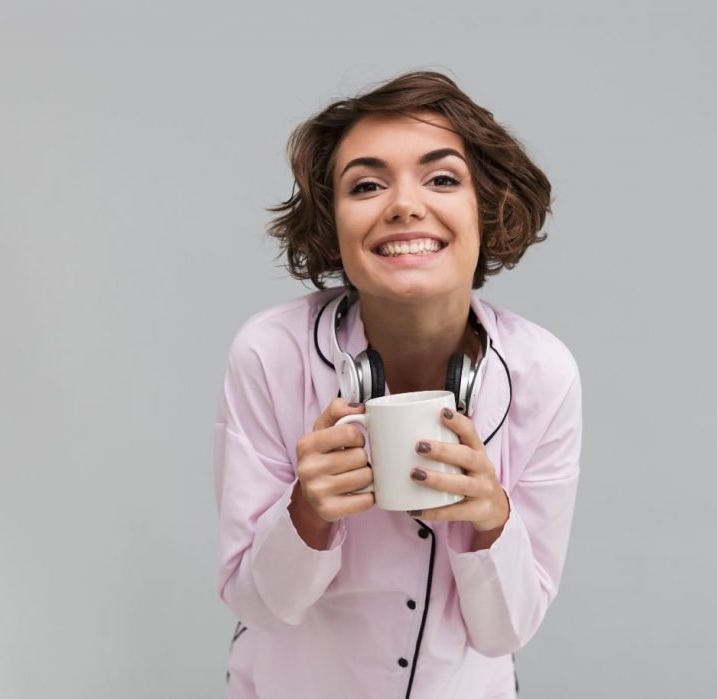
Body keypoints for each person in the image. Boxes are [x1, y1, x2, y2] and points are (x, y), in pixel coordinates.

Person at [213, 70, 582, 699]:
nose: (404, 205)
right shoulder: (270, 354)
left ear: (488, 207)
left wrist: (493, 521)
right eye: (366, 185)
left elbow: (506, 631)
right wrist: (307, 511)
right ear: (332, 222)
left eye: (442, 179)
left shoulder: (543, 372)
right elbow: (259, 607)